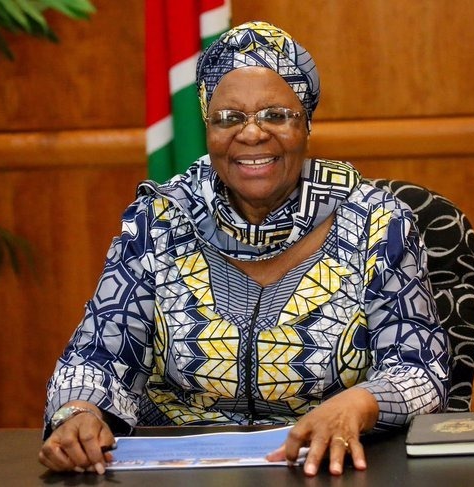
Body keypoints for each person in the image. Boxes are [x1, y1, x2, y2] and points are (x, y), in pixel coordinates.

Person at [38, 20, 450, 477]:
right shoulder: (159, 220)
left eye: (276, 115)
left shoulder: (377, 222)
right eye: (229, 118)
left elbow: (419, 370)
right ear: (208, 128)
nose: (252, 134)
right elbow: (97, 354)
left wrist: (359, 404)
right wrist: (79, 414)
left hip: (328, 466)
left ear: (306, 124)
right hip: (178, 473)